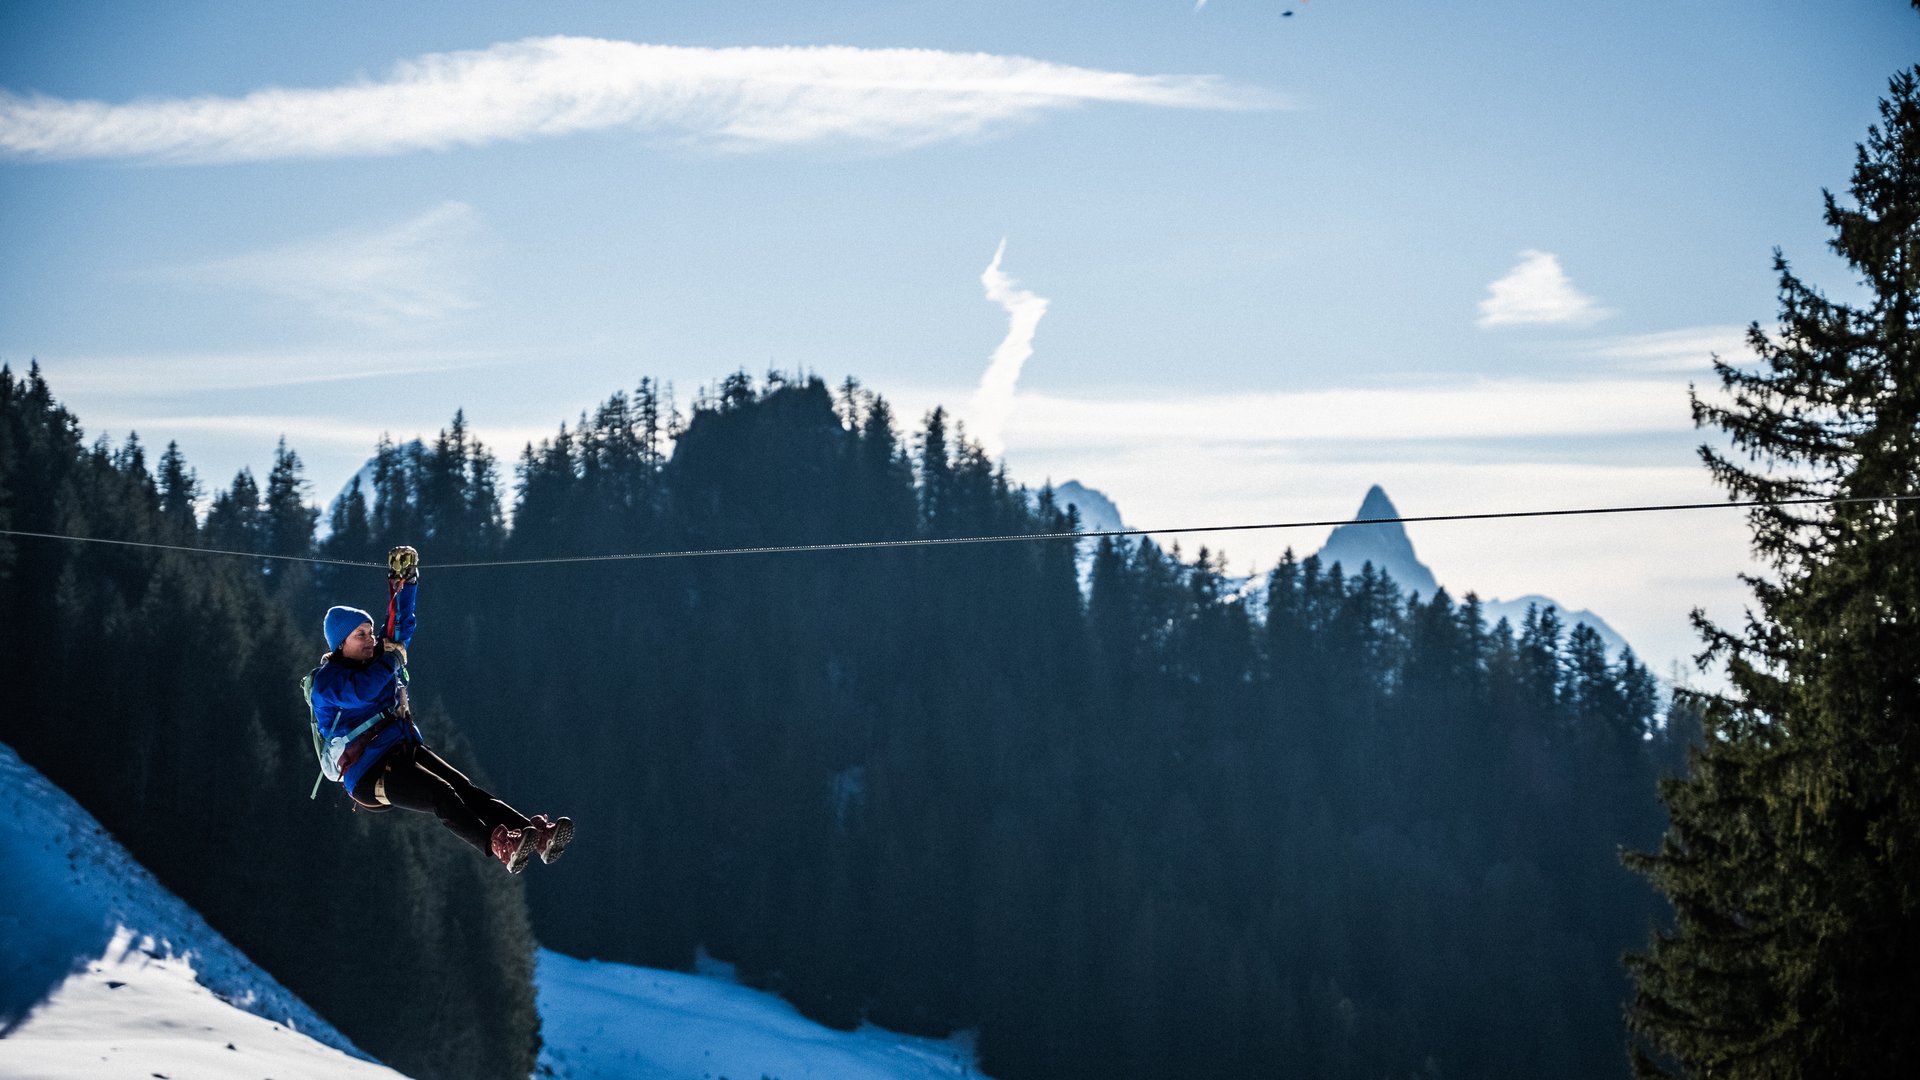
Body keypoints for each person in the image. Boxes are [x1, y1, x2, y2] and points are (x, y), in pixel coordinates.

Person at [309, 544, 571, 874]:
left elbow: (400, 629)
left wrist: (405, 581)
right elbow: (361, 694)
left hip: (400, 747)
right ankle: (498, 844)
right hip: (368, 772)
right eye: (360, 635)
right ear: (340, 644)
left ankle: (535, 837)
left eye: (370, 632)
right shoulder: (327, 682)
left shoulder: (378, 659)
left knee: (466, 790)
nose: (370, 639)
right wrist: (391, 659)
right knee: (442, 795)